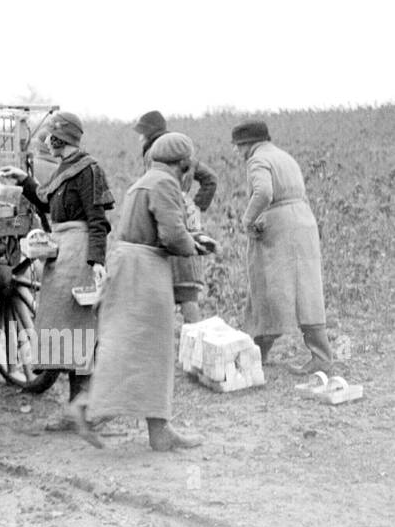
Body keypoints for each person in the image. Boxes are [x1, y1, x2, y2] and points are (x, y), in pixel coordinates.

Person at [71, 133, 201, 451]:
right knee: (150, 349)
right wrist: (194, 245)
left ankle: (159, 428)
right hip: (146, 270)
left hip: (128, 266)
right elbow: (171, 235)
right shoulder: (166, 184)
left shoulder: (143, 181)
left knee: (136, 347)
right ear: (183, 163)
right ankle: (90, 411)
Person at [0, 111, 113, 429]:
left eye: (48, 135)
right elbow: (48, 203)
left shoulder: (88, 170)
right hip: (61, 253)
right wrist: (23, 180)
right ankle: (77, 409)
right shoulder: (66, 168)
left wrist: (97, 263)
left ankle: (85, 410)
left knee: (79, 328)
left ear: (58, 138)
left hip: (79, 256)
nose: (45, 140)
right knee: (65, 330)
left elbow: (98, 221)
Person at [232, 120, 333, 375]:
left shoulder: (257, 161)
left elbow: (264, 192)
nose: (237, 152)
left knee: (266, 288)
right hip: (303, 221)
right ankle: (321, 355)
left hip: (278, 228)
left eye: (238, 146)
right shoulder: (285, 157)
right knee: (307, 291)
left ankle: (256, 353)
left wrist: (247, 219)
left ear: (247, 144)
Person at [133, 110, 219, 324]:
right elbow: (211, 180)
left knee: (169, 285)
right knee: (187, 289)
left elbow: (154, 186)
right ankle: (195, 339)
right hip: (184, 216)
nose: (139, 137)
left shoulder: (155, 154)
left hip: (164, 213)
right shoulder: (184, 154)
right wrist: (195, 206)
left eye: (141, 132)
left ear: (149, 132)